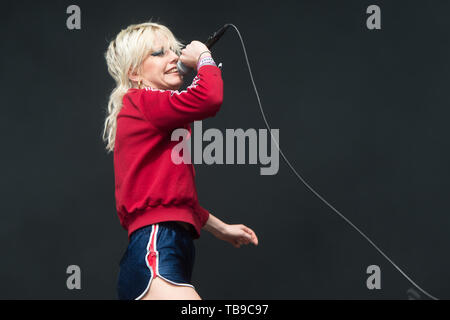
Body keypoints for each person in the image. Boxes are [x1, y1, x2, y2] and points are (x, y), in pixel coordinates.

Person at [103, 22, 259, 300]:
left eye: (174, 51)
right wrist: (203, 58)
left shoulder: (153, 113)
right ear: (134, 72)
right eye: (159, 53)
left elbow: (171, 198)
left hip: (166, 247)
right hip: (155, 247)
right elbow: (208, 98)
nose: (174, 57)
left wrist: (220, 228)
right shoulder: (142, 101)